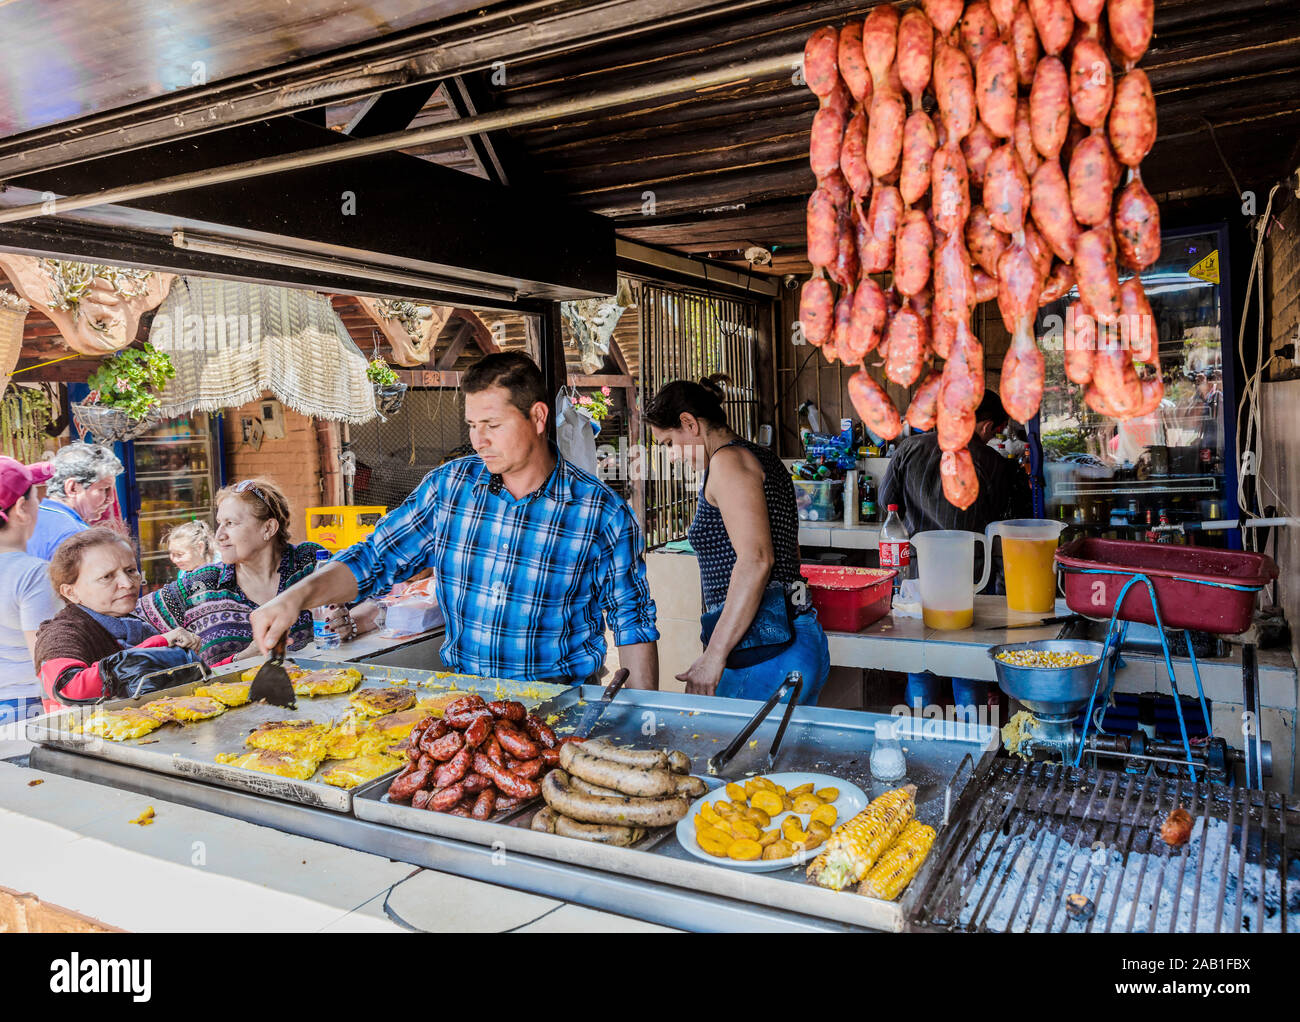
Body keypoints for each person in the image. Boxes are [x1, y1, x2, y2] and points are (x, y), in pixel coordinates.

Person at [250, 351, 660, 688]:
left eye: (493, 425)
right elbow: (373, 559)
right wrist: (293, 598)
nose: (478, 440)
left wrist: (650, 725)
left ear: (537, 418)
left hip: (562, 702)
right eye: (472, 425)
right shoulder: (450, 488)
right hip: (467, 703)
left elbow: (633, 623)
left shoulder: (600, 511)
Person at [644, 377, 830, 703]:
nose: (672, 457)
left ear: (689, 423)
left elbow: (757, 560)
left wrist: (714, 655)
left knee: (728, 752)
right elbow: (789, 551)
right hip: (797, 639)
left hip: (765, 652)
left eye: (669, 443)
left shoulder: (727, 462)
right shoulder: (760, 457)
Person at [880, 390, 1031, 722]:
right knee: (966, 671)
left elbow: (888, 506)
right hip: (972, 583)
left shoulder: (908, 449)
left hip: (917, 580)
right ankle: (972, 753)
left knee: (919, 668)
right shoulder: (994, 464)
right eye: (994, 431)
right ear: (986, 424)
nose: (992, 438)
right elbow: (1005, 526)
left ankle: (915, 744)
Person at [135, 478, 327, 666]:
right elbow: (128, 626)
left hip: (321, 689)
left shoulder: (309, 562)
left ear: (268, 528)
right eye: (219, 523)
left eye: (230, 523)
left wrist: (348, 626)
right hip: (221, 696)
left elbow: (353, 607)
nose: (219, 535)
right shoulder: (202, 584)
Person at [34, 528, 199, 706]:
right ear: (71, 592)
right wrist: (156, 647)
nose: (127, 584)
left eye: (130, 571)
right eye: (107, 576)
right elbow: (68, 689)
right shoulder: (60, 634)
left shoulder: (135, 624)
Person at [0, 457, 63, 723]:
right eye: (38, 498)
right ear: (22, 508)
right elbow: (46, 658)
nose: (41, 505)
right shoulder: (33, 574)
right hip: (25, 707)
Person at [27, 443, 123, 560]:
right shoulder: (77, 537)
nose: (111, 498)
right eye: (103, 489)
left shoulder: (26, 521)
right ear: (72, 488)